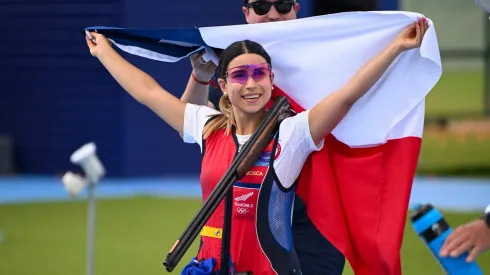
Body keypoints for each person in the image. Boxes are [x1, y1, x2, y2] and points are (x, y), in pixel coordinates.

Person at [84, 17, 427, 274]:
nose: (251, 84)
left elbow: (347, 95)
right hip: (209, 268)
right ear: (223, 83)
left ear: (271, 80)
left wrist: (396, 47)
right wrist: (105, 52)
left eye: (259, 73)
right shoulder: (208, 127)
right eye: (239, 75)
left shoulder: (292, 135)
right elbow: (149, 93)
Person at [179, 1, 350, 274]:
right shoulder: (235, 67)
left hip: (316, 225)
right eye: (260, 6)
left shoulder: (325, 65)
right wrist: (199, 77)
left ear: (296, 8)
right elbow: (191, 124)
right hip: (249, 228)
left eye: (282, 4)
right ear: (246, 13)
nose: (272, 14)